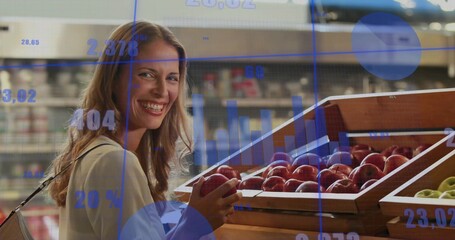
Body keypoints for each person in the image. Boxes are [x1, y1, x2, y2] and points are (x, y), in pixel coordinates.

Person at [48, 21, 242, 240]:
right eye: (147, 74)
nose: (162, 91)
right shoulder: (116, 162)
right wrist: (194, 225)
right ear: (112, 80)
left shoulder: (94, 152)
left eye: (171, 78)